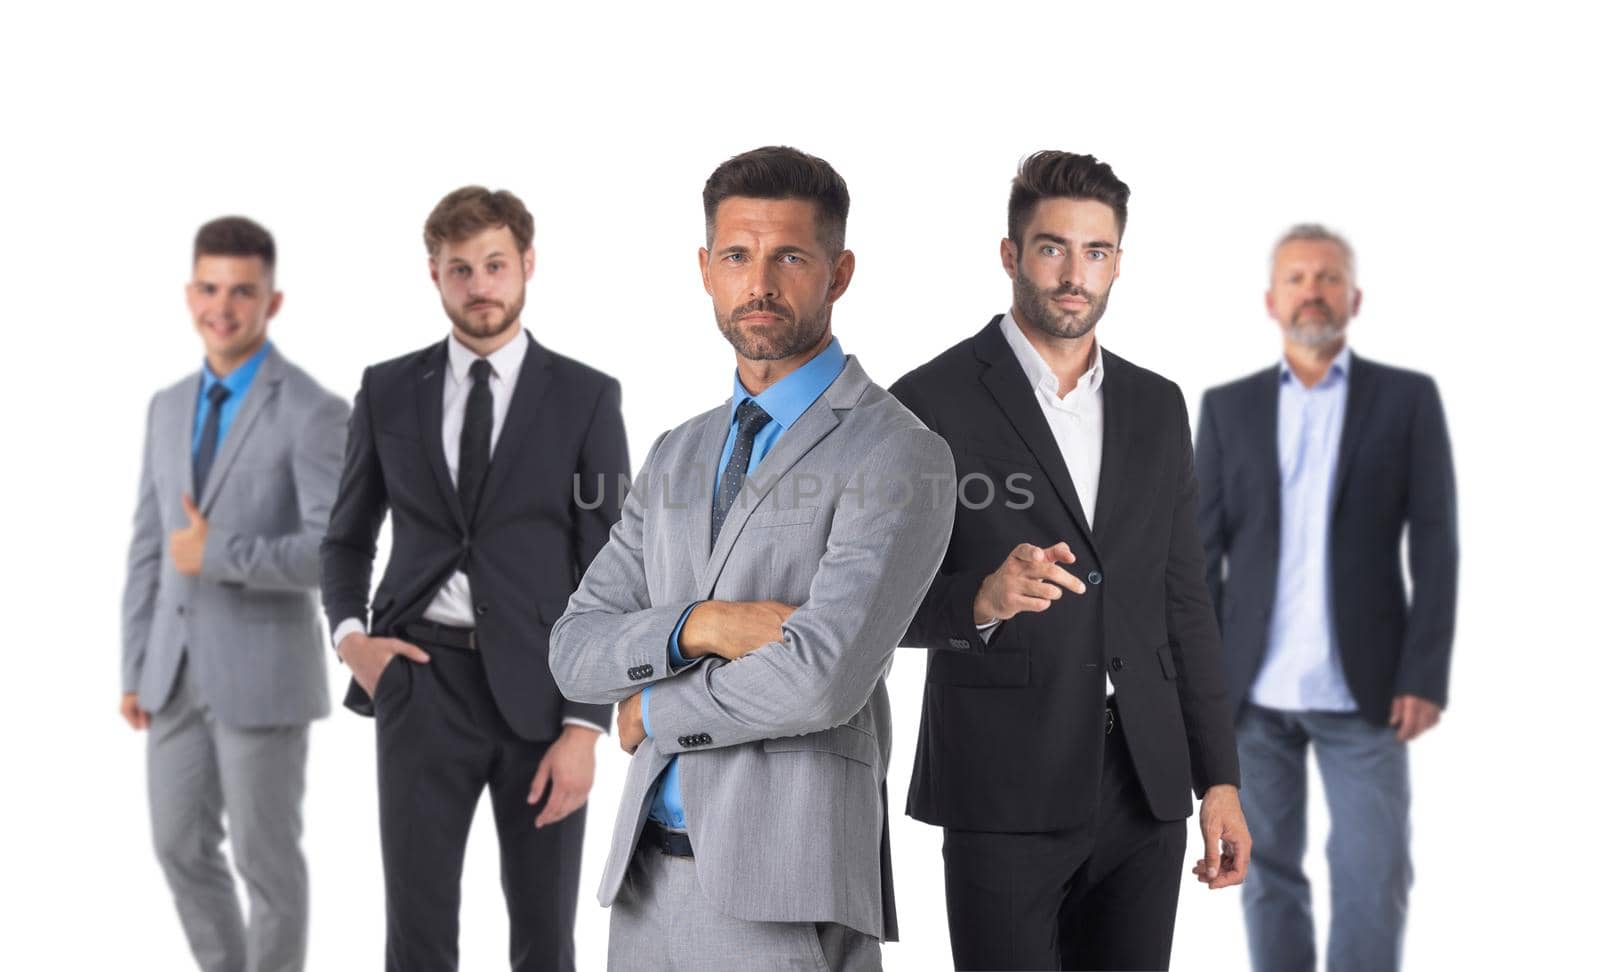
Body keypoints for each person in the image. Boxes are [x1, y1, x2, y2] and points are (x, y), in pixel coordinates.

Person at [548, 145, 956, 971]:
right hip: (642, 885)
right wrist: (701, 624)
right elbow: (574, 651)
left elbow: (820, 678)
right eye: (737, 256)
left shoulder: (898, 453)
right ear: (705, 269)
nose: (758, 283)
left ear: (839, 273)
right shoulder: (676, 452)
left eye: (789, 258)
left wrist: (649, 714)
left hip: (785, 889)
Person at [890, 151, 1249, 971]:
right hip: (1001, 785)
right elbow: (868, 605)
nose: (1074, 275)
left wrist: (1217, 779)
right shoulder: (928, 401)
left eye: (1096, 252)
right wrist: (981, 598)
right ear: (1011, 254)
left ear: (1119, 261)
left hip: (1145, 785)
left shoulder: (1159, 406)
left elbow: (1185, 601)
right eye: (1052, 248)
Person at [319, 186, 628, 971]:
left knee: (545, 939)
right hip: (420, 685)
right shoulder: (388, 389)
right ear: (435, 275)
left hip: (544, 694)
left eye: (495, 264)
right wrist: (353, 641)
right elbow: (347, 536)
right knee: (416, 939)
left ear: (527, 264)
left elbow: (611, 566)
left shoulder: (587, 396)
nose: (480, 285)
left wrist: (585, 725)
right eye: (461, 269)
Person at [1195, 224, 1458, 972]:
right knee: (1266, 879)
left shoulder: (1407, 400)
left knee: (1375, 876)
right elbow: (1197, 557)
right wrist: (1203, 683)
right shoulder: (1229, 408)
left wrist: (1424, 674)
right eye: (1298, 278)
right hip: (1251, 697)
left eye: (1328, 277)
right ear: (1273, 301)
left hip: (1369, 691)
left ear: (1355, 297)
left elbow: (1436, 544)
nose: (1313, 290)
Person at [120, 216, 348, 972]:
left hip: (262, 677)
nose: (223, 306)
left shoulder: (315, 412)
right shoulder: (166, 406)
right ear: (190, 294)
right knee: (177, 844)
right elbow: (149, 547)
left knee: (266, 865)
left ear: (271, 302)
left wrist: (220, 553)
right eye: (210, 288)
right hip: (172, 672)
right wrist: (133, 667)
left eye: (241, 292)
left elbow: (333, 550)